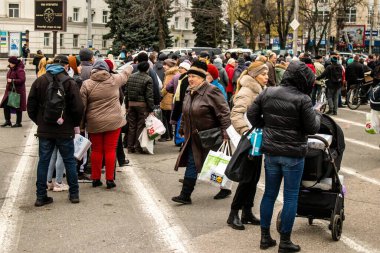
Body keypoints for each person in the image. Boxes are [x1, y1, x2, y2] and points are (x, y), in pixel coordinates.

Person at [247, 61, 321, 252]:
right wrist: (317, 114)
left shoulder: (268, 92)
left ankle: (265, 238)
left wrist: (265, 125)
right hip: (293, 154)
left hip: (271, 152)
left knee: (269, 194)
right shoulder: (303, 99)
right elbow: (313, 127)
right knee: (290, 197)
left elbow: (251, 114)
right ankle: (285, 241)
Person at [27, 55, 84, 206]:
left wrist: (40, 121)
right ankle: (74, 194)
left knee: (43, 162)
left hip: (45, 129)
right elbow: (78, 107)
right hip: (65, 129)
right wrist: (74, 123)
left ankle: (40, 196)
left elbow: (30, 106)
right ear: (66, 66)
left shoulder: (39, 81)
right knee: (69, 161)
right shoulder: (70, 82)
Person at [172, 60, 231, 205]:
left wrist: (226, 134)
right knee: (193, 163)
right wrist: (182, 127)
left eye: (194, 77)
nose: (190, 79)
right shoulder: (189, 91)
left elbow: (224, 113)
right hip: (193, 136)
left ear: (202, 78)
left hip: (210, 136)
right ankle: (185, 195)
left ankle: (225, 188)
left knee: (215, 164)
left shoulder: (212, 91)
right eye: (189, 76)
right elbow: (186, 112)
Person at [227, 61, 269, 230]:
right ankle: (233, 213)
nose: (266, 77)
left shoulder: (259, 90)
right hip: (250, 140)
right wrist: (246, 132)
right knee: (246, 178)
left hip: (258, 140)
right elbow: (236, 114)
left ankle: (247, 212)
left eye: (267, 74)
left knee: (254, 178)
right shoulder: (247, 91)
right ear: (253, 75)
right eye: (263, 74)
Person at [80, 60, 132, 189]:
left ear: (93, 70)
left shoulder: (86, 84)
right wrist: (132, 65)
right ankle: (109, 179)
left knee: (96, 150)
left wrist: (81, 125)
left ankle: (96, 178)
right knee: (110, 149)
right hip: (113, 122)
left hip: (94, 122)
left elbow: (82, 107)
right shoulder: (114, 79)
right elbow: (126, 73)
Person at [125, 60, 154, 154]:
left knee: (131, 126)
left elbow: (126, 92)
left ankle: (130, 147)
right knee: (140, 126)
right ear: (147, 68)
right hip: (142, 106)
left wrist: (126, 105)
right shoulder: (148, 79)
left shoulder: (131, 77)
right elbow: (149, 96)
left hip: (131, 104)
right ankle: (137, 147)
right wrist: (151, 108)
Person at [0, 57, 26, 128]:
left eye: (11, 63)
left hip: (17, 91)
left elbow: (22, 80)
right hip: (9, 91)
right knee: (5, 105)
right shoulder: (11, 69)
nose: (9, 64)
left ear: (14, 63)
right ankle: (8, 121)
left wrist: (12, 80)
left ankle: (18, 123)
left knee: (18, 107)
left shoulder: (20, 70)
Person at [159, 59, 178, 142]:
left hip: (167, 100)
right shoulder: (175, 73)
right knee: (169, 118)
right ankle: (170, 135)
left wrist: (160, 95)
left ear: (169, 66)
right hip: (171, 99)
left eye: (165, 65)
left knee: (165, 119)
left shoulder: (169, 74)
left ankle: (167, 136)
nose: (164, 66)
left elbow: (166, 87)